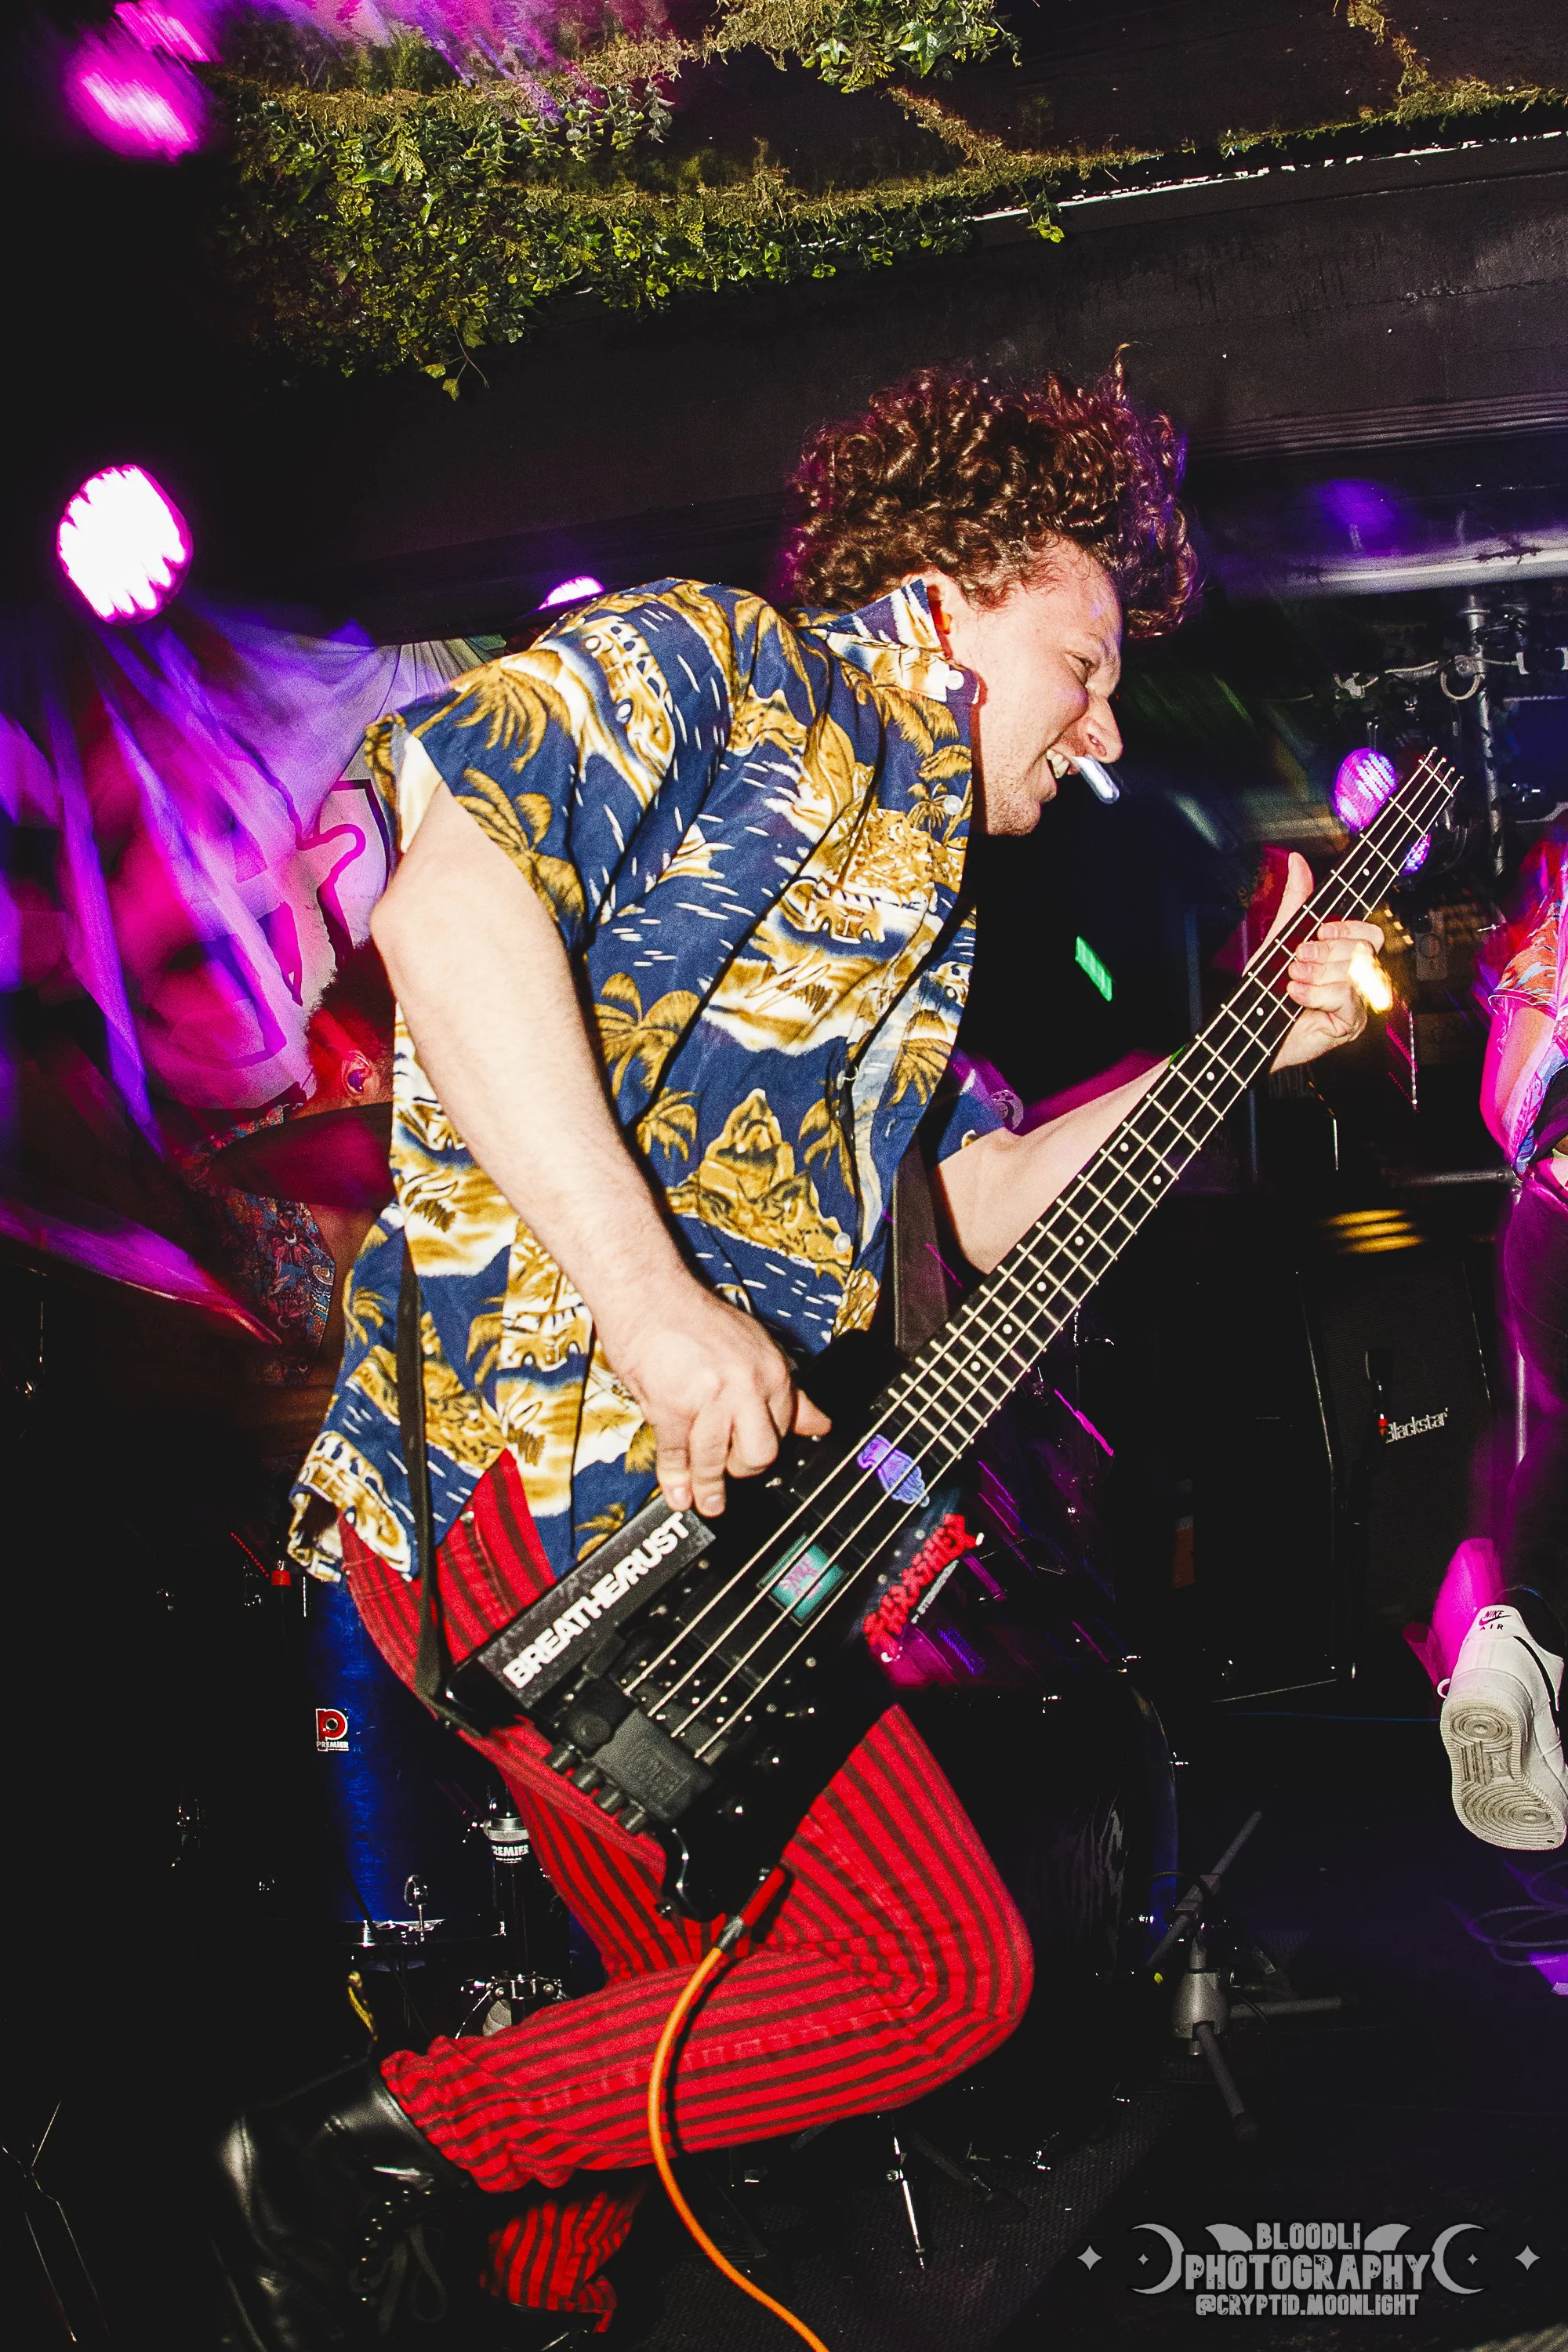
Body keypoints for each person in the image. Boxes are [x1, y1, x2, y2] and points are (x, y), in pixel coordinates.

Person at [208, 364, 1381, 2350]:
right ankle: (346, 2151)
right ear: (955, 579)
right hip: (536, 1463)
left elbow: (980, 1200)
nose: (1100, 733)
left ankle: (532, 2296)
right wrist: (662, 1310)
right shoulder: (730, 669)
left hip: (642, 1523)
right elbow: (440, 876)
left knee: (687, 2035)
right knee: (933, 1974)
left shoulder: (915, 907)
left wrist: (1251, 1038)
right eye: (1081, 663)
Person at [1440, 838, 1568, 1852]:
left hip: (1548, 1208)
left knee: (1555, 1438)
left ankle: (1514, 1648)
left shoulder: (1538, 948)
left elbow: (1503, 1109)